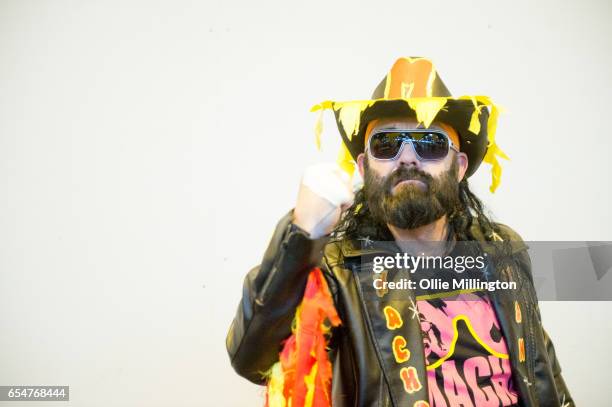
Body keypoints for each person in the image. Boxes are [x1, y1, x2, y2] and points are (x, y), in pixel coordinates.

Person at [226, 57, 573, 407]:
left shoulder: (502, 250)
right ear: (365, 167)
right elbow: (251, 358)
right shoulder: (337, 273)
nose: (407, 159)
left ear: (460, 167)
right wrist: (302, 234)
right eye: (387, 144)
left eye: (430, 144)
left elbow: (545, 373)